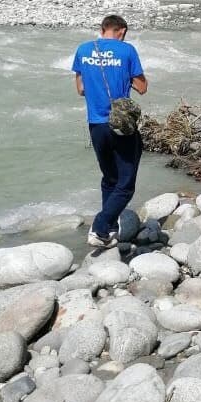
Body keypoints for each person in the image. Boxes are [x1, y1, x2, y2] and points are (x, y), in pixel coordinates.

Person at [72, 14, 148, 248]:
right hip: (121, 124)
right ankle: (100, 226)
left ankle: (110, 229)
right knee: (125, 185)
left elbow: (81, 89)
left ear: (102, 28)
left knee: (110, 178)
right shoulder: (127, 50)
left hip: (95, 124)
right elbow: (142, 87)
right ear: (122, 31)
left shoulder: (83, 49)